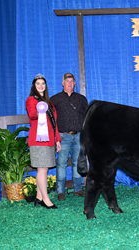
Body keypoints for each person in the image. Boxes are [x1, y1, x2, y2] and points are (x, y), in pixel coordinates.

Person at [50, 73, 88, 201]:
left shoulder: (81, 99)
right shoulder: (54, 99)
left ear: (75, 84)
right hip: (63, 136)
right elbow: (51, 120)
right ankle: (60, 191)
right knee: (61, 163)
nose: (70, 83)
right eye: (67, 81)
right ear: (63, 83)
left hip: (78, 136)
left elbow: (86, 117)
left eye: (72, 81)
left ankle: (78, 189)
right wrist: (56, 139)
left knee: (77, 163)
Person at [26, 73, 61, 209]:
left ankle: (39, 198)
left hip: (49, 140)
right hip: (38, 140)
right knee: (42, 169)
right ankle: (46, 200)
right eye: (38, 84)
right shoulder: (31, 100)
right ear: (34, 86)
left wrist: (57, 139)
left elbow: (54, 124)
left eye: (43, 83)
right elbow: (32, 115)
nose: (41, 86)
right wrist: (39, 109)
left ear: (46, 86)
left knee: (44, 169)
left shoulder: (50, 103)